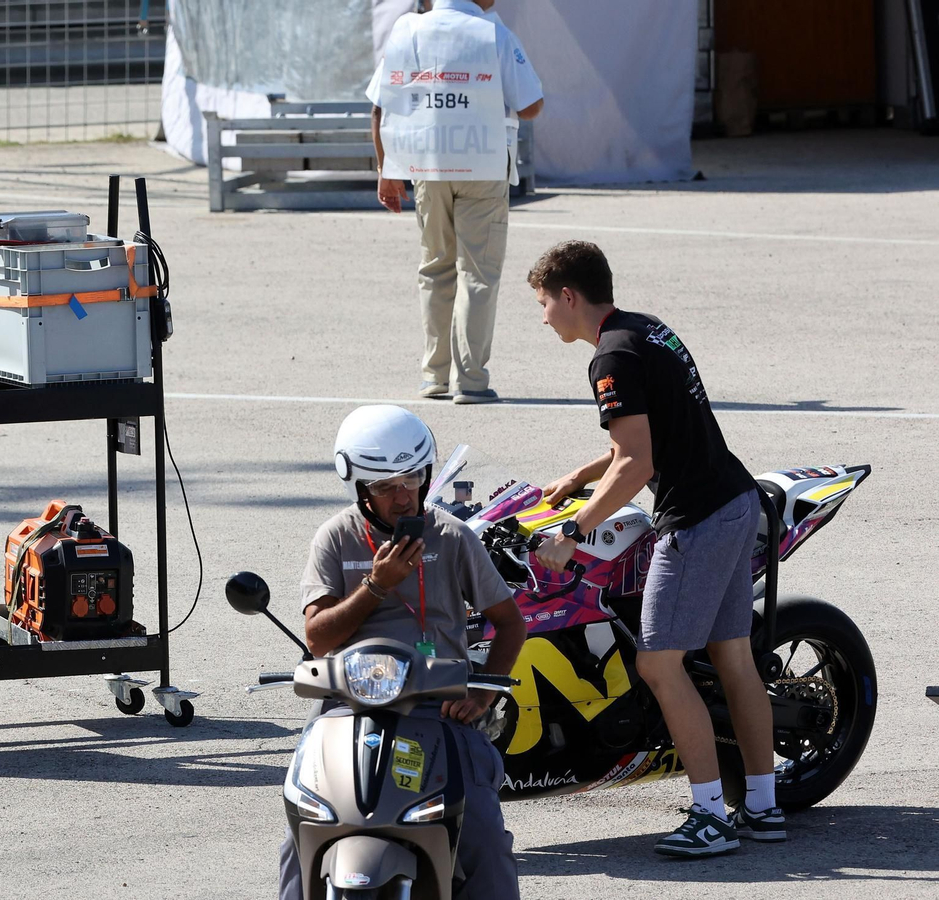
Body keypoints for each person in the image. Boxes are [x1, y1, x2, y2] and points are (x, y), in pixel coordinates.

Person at [527, 240, 782, 856]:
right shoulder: (644, 329)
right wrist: (583, 475)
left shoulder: (609, 359)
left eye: (542, 303)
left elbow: (637, 462)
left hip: (697, 520)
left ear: (569, 295)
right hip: (734, 500)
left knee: (658, 664)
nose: (542, 318)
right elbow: (654, 431)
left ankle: (711, 818)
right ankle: (765, 807)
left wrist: (574, 529)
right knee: (733, 656)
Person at [279, 405, 527, 900]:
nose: (404, 496)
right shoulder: (335, 538)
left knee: (482, 837)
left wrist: (482, 696)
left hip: (437, 705)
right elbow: (318, 639)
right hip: (346, 704)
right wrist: (376, 585)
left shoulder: (453, 536)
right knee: (301, 831)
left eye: (412, 479)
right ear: (360, 488)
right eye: (386, 486)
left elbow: (510, 623)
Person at [367, 0, 544, 404]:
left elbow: (380, 107)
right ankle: (471, 381)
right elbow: (532, 106)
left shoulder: (408, 30)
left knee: (435, 269)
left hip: (426, 165)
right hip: (482, 164)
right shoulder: (494, 32)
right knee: (478, 274)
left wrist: (386, 168)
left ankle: (435, 376)